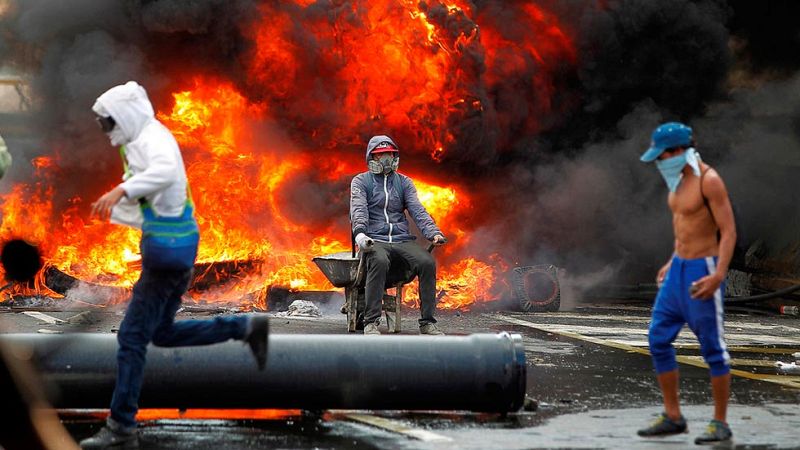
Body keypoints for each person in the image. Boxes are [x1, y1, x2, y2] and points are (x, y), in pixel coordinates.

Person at [79, 82, 268, 450]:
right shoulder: (139, 140)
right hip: (173, 248)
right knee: (161, 333)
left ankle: (121, 426)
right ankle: (243, 327)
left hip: (168, 252)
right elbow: (154, 191)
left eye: (108, 122)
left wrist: (121, 192)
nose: (107, 132)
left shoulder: (154, 139)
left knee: (132, 337)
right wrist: (121, 203)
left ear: (125, 115)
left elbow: (164, 172)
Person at [637, 122, 736, 444]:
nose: (659, 161)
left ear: (679, 150)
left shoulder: (710, 180)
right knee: (657, 338)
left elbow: (728, 231)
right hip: (678, 268)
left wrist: (719, 274)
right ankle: (673, 416)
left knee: (713, 349)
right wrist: (672, 260)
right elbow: (684, 227)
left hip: (702, 270)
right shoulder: (676, 179)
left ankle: (720, 422)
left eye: (662, 155)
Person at [349, 135, 447, 336]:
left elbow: (417, 210)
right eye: (380, 155)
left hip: (402, 240)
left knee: (427, 262)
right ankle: (371, 322)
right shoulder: (361, 181)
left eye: (389, 154)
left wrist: (433, 232)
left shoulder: (404, 183)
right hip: (375, 239)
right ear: (371, 158)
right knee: (378, 260)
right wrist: (360, 235)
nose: (385, 159)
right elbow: (358, 209)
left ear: (395, 156)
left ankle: (427, 323)